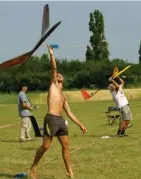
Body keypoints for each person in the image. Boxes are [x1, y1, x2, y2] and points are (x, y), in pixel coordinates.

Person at [30, 45, 87, 179]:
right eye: (57, 75)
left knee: (66, 146)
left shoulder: (63, 96)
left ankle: (69, 172)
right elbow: (54, 68)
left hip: (61, 121)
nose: (58, 74)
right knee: (45, 146)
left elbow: (70, 113)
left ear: (64, 80)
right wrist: (51, 54)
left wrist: (80, 124)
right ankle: (33, 167)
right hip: (51, 119)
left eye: (60, 75)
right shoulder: (53, 86)